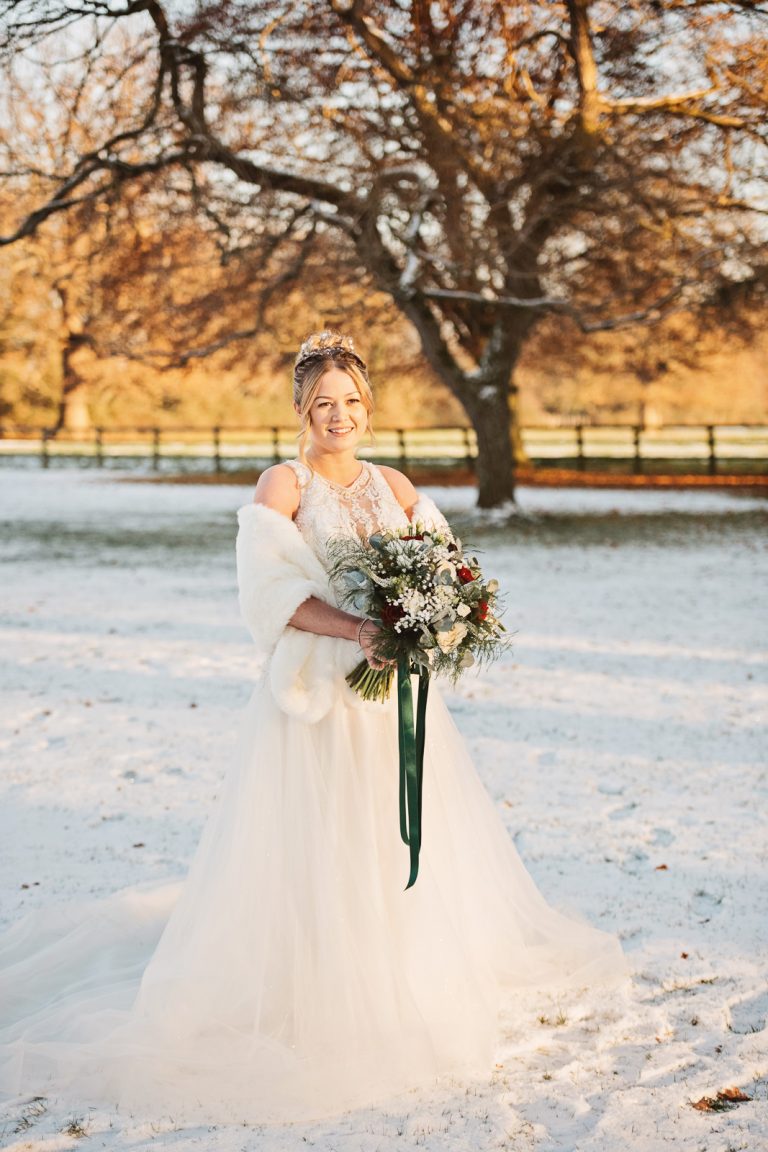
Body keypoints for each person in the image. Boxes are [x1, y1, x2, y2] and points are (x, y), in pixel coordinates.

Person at [0, 331, 627, 1126]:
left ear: (370, 408)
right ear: (301, 409)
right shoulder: (282, 485)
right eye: (324, 403)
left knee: (391, 836)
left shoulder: (396, 483)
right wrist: (356, 631)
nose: (340, 416)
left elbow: (449, 571)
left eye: (353, 402)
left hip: (395, 698)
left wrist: (444, 620)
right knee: (323, 840)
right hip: (317, 698)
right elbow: (269, 595)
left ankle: (404, 972)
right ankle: (323, 984)